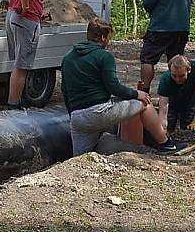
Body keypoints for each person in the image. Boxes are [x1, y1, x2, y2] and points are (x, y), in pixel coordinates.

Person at [61, 18, 186, 156]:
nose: (108, 42)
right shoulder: (104, 56)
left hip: (77, 118)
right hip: (99, 113)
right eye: (108, 38)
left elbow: (65, 90)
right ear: (103, 37)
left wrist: (73, 114)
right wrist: (137, 94)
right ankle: (166, 145)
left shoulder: (68, 57)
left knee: (79, 160)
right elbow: (113, 87)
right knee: (145, 103)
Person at [0, 0, 59, 109]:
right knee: (22, 67)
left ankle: (13, 101)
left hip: (12, 17)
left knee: (17, 64)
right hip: (25, 20)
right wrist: (25, 7)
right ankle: (14, 105)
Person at [140, 0, 195, 92]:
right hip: (182, 27)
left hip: (160, 27)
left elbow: (147, 2)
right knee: (176, 60)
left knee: (148, 60)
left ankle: (145, 93)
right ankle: (177, 94)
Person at [158, 55, 195, 132]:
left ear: (189, 70)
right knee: (168, 126)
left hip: (190, 99)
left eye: (181, 76)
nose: (178, 79)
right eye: (174, 76)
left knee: (189, 127)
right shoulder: (165, 80)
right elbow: (163, 109)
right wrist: (163, 127)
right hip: (172, 102)